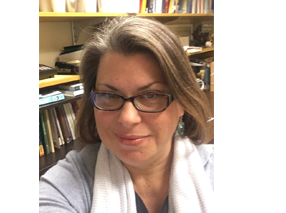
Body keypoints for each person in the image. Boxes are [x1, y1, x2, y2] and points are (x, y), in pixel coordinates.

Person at [39, 16, 214, 213]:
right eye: (109, 95)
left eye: (151, 95)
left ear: (182, 101)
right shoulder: (66, 185)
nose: (128, 118)